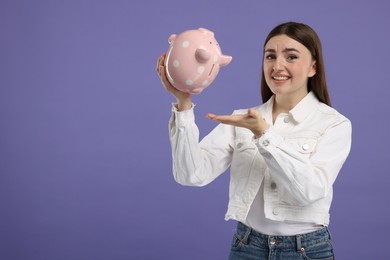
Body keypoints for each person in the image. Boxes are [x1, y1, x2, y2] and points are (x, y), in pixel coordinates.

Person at [156, 21, 351, 260]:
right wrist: (183, 105)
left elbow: (310, 191)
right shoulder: (242, 120)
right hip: (247, 247)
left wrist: (264, 135)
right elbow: (190, 175)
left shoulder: (334, 124)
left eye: (291, 57)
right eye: (270, 56)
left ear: (313, 67)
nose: (277, 65)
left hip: (306, 251)